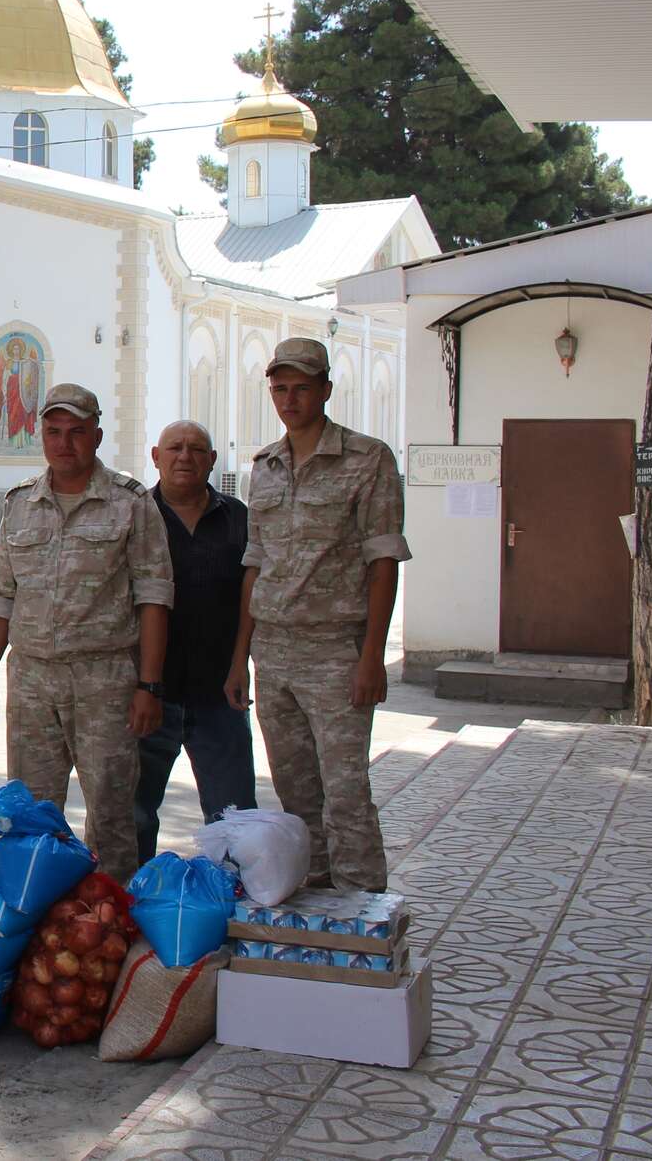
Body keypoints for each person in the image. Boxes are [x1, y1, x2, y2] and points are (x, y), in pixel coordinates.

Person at [226, 338, 409, 893]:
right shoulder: (266, 465)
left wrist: (372, 657)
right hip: (273, 653)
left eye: (302, 387)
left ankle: (364, 915)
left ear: (326, 390)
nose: (290, 399)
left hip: (336, 650)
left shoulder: (367, 459)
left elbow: (383, 560)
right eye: (280, 388)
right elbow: (255, 564)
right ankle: (320, 898)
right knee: (296, 790)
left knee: (346, 792)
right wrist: (241, 659)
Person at [0, 383, 171, 887]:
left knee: (111, 811)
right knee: (31, 812)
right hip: (33, 676)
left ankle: (111, 921)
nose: (65, 443)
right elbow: (1, 597)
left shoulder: (130, 503)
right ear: (40, 435)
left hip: (105, 679)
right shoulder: (21, 503)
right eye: (54, 432)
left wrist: (148, 686)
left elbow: (154, 596)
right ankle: (36, 924)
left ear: (97, 436)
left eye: (77, 432)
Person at [132, 420, 258, 863]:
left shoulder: (239, 518)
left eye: (196, 449)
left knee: (235, 819)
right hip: (148, 695)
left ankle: (233, 907)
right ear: (155, 456)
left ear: (212, 460)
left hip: (219, 694)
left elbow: (251, 598)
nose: (184, 456)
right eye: (174, 448)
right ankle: (133, 909)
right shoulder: (135, 516)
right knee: (134, 818)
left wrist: (241, 663)